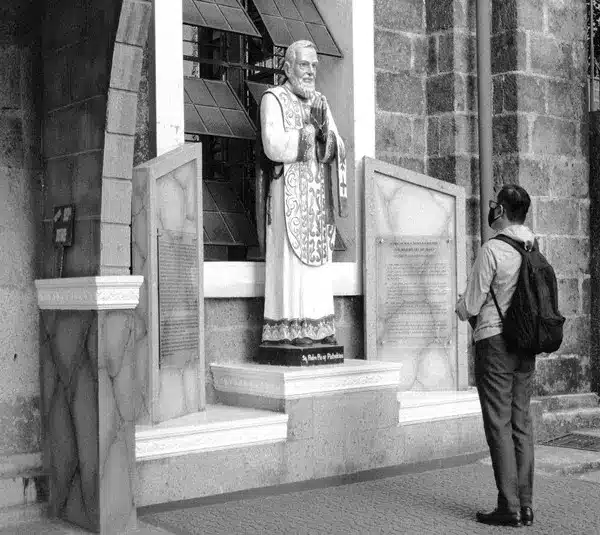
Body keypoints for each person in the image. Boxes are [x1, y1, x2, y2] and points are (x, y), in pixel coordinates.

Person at [256, 40, 347, 347]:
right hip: (288, 194)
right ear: (288, 67)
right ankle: (292, 328)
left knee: (318, 263)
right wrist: (309, 134)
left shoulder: (320, 101)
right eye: (304, 64)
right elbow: (272, 144)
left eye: (314, 65)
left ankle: (320, 327)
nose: (310, 71)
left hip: (318, 196)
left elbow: (339, 145)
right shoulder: (274, 99)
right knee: (291, 264)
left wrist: (325, 136)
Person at [455, 185, 536, 527]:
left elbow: (470, 305)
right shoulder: (532, 245)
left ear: (501, 210)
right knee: (521, 423)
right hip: (526, 345)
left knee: (498, 425)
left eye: (494, 206)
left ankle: (508, 505)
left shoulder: (493, 249)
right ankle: (527, 505)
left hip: (495, 342)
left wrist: (459, 307)